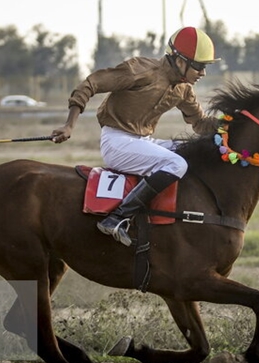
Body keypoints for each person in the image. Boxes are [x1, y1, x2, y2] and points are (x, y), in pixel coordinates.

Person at [51, 26, 220, 246]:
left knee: (189, 150)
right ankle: (117, 218)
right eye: (199, 66)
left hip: (142, 142)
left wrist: (233, 122)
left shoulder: (184, 89)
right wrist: (69, 125)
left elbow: (200, 123)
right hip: (116, 142)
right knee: (177, 164)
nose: (203, 73)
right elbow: (91, 83)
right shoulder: (141, 70)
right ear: (180, 60)